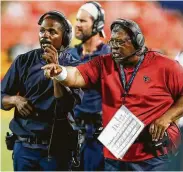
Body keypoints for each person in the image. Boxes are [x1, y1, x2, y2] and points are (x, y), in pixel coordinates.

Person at [42, 18, 183, 171]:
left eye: (120, 42)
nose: (114, 47)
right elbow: (76, 75)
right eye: (112, 42)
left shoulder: (165, 66)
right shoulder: (103, 63)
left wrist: (167, 117)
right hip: (116, 154)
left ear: (138, 42)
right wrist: (60, 72)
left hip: (153, 156)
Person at [1, 11, 83, 171]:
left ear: (65, 37)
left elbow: (66, 104)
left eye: (52, 31)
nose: (45, 35)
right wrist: (14, 100)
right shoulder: (23, 61)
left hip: (56, 149)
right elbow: (1, 95)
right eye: (42, 30)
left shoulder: (75, 66)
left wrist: (57, 74)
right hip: (23, 148)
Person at [67, 1, 111, 171]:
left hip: (98, 136)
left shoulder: (110, 56)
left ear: (98, 24)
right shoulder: (69, 55)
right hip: (71, 134)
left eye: (83, 21)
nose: (77, 24)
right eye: (77, 20)